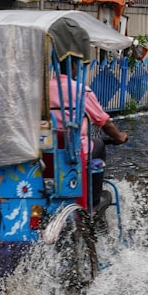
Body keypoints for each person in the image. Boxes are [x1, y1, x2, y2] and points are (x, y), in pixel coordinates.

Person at [48, 73, 128, 209]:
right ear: (74, 65)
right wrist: (119, 137)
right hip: (74, 150)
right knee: (100, 144)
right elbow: (104, 122)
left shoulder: (43, 90)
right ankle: (94, 201)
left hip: (46, 149)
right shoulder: (81, 91)